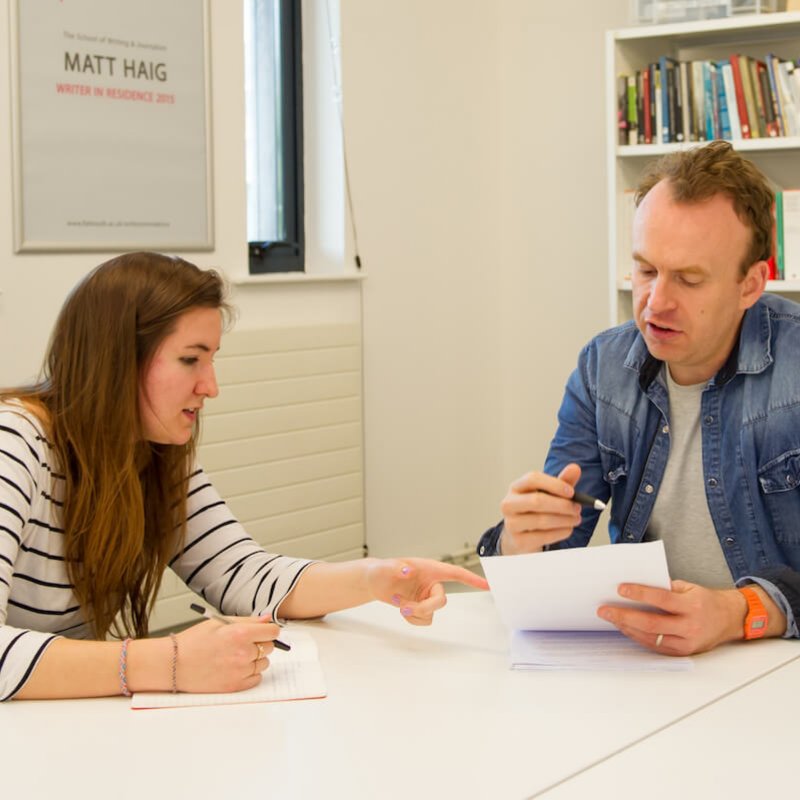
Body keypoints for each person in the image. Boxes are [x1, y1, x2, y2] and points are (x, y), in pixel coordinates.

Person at [0, 252, 487, 701]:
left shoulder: (149, 452)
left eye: (211, 360)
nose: (210, 386)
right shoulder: (15, 441)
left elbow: (243, 575)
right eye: (191, 359)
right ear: (115, 360)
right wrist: (167, 662)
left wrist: (376, 577)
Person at [478, 141, 800, 656]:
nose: (656, 302)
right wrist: (522, 541)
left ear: (751, 283)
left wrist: (739, 612)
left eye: (690, 279)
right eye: (646, 270)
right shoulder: (604, 368)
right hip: (646, 659)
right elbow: (558, 550)